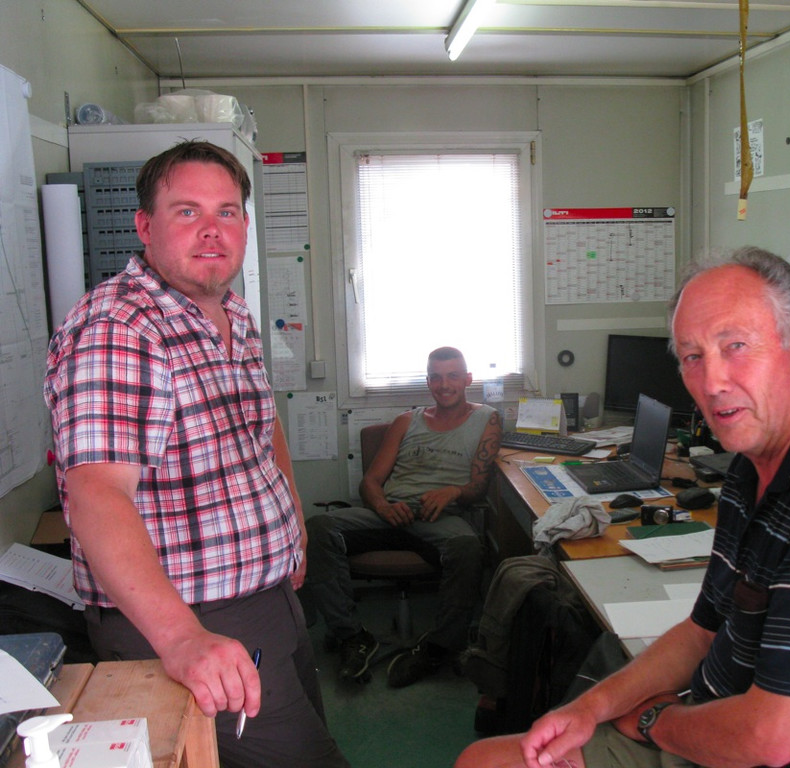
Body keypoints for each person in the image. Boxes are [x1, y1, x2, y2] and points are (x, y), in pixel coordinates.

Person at [456, 246, 790, 768]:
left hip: (786, 752)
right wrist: (590, 708)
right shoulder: (751, 464)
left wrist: (655, 721)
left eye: (736, 345)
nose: (712, 382)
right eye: (692, 357)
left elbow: (771, 738)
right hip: (715, 718)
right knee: (487, 759)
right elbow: (702, 632)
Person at [44, 140, 349, 768]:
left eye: (226, 212)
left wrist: (291, 520)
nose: (212, 230)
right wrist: (182, 638)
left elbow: (262, 424)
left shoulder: (231, 312)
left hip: (267, 596)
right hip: (192, 617)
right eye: (187, 211)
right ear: (145, 226)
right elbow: (96, 492)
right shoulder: (121, 328)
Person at [304, 346, 502, 688]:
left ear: (468, 379)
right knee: (318, 528)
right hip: (389, 514)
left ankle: (438, 648)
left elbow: (478, 487)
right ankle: (352, 637)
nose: (444, 385)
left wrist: (453, 492)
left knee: (468, 547)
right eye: (436, 377)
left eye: (453, 376)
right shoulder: (406, 421)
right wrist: (382, 506)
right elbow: (370, 482)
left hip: (439, 519)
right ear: (428, 382)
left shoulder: (488, 419)